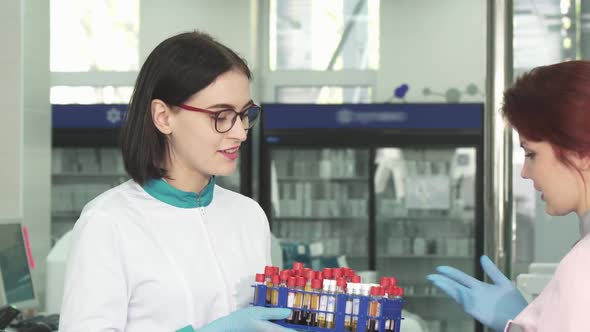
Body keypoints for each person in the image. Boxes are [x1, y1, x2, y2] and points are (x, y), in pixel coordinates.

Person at [59, 31, 294, 332]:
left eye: (245, 114)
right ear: (163, 116)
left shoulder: (248, 216)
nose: (240, 132)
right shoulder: (108, 222)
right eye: (221, 115)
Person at [427, 60, 590, 332]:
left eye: (531, 154)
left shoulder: (583, 264)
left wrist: (519, 325)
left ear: (580, 153)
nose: (525, 172)